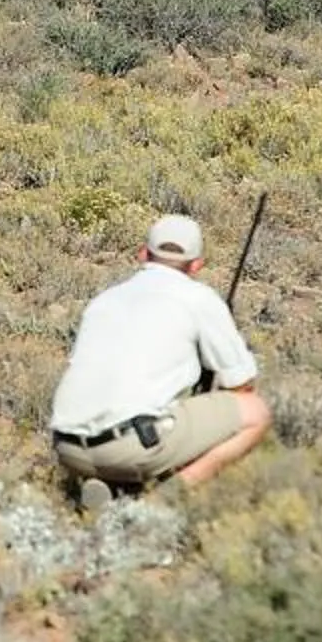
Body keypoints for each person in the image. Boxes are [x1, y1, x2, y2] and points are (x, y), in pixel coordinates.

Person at [47, 213, 269, 504]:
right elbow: (242, 386)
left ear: (143, 254)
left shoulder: (104, 300)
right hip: (130, 447)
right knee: (255, 412)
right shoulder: (198, 299)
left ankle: (109, 488)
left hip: (67, 448)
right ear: (196, 265)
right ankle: (157, 502)